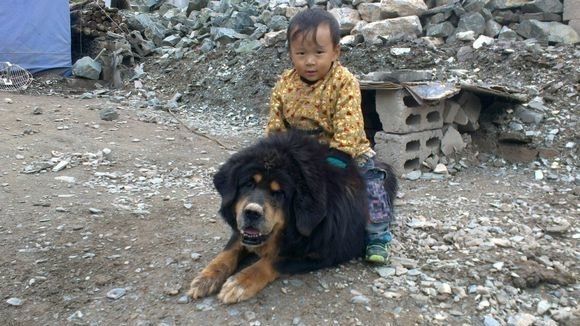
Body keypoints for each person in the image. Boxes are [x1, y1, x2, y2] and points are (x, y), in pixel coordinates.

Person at [265, 8, 395, 264]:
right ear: (291, 53)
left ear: (336, 51)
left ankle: (377, 236)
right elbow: (276, 123)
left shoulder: (344, 82)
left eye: (318, 53)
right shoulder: (285, 84)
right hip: (300, 153)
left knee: (372, 184)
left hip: (345, 153)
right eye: (301, 54)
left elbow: (349, 124)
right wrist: (272, 154)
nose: (310, 61)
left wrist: (337, 157)